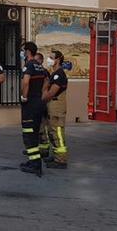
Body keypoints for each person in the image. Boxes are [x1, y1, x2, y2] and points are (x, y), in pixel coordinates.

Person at [19, 42, 49, 177]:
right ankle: (32, 161)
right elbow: (46, 81)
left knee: (28, 135)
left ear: (28, 51)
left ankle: (35, 165)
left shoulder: (29, 65)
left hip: (30, 104)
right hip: (39, 102)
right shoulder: (40, 66)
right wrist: (41, 95)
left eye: (23, 50)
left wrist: (24, 97)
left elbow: (25, 82)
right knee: (34, 134)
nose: (22, 52)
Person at [41, 50, 69, 169]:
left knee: (57, 132)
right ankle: (56, 154)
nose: (49, 59)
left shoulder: (59, 74)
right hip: (52, 105)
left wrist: (43, 96)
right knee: (52, 131)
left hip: (56, 105)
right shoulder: (54, 73)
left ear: (57, 60)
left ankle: (61, 159)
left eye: (51, 57)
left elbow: (51, 93)